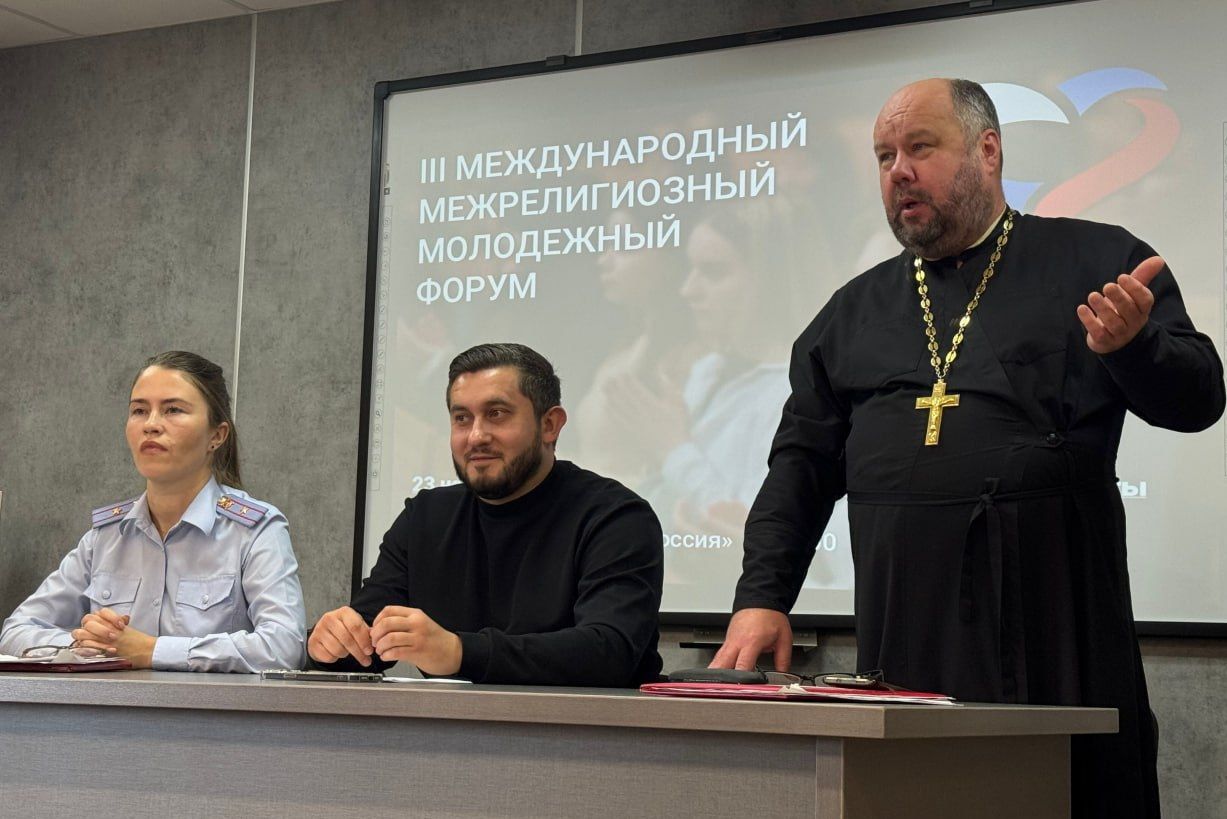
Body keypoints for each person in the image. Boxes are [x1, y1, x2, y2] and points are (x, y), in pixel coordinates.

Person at [711, 78, 1224, 817]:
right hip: (904, 634)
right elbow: (800, 469)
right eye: (884, 155)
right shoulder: (851, 313)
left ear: (988, 150)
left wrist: (1136, 347)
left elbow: (1199, 402)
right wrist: (761, 596)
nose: (899, 171)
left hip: (1056, 632)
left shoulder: (1097, 261)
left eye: (920, 147)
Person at [307, 342, 663, 686]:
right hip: (447, 725)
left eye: (496, 414)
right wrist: (330, 645)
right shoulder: (425, 518)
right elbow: (366, 641)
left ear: (550, 425)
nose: (476, 436)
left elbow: (609, 652)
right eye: (462, 418)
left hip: (587, 726)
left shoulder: (616, 518)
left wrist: (460, 653)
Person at [0, 351, 306, 672]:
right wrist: (86, 644)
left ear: (216, 435)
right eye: (139, 410)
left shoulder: (255, 530)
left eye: (173, 410)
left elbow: (285, 647)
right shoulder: (106, 537)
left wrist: (154, 651)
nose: (151, 425)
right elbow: (16, 630)